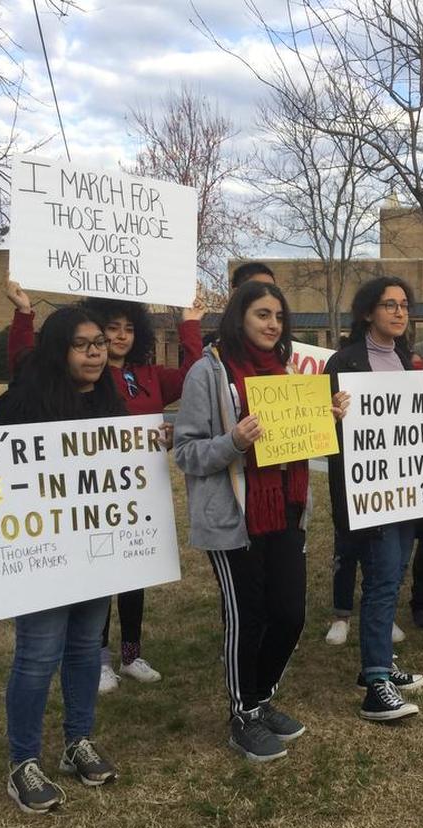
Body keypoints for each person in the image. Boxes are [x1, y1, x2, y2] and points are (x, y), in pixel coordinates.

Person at [5, 281, 205, 692]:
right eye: (109, 328)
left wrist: (190, 325)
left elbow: (192, 378)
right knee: (97, 576)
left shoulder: (148, 376)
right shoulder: (84, 378)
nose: (118, 336)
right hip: (85, 493)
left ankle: (131, 653)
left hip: (136, 493)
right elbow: (24, 364)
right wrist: (24, 315)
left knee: (134, 576)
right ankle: (96, 657)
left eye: (128, 329)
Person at [175, 281, 338, 761]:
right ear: (239, 317)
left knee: (290, 615)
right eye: (262, 314)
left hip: (286, 511)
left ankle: (261, 698)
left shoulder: (288, 372)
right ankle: (242, 712)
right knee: (248, 619)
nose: (272, 325)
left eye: (279, 317)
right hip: (234, 521)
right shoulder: (207, 373)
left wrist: (328, 419)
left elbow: (300, 445)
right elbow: (185, 452)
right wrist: (234, 442)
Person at [0, 307, 127, 812]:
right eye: (81, 344)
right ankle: (22, 762)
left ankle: (77, 742)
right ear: (56, 349)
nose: (95, 352)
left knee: (87, 647)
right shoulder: (21, 402)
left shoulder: (112, 403)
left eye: (100, 343)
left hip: (94, 550)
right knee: (38, 655)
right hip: (41, 553)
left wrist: (153, 446)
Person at [326, 277, 423, 721]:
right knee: (383, 581)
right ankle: (375, 681)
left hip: (409, 491)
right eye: (390, 305)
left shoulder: (408, 360)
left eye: (404, 305)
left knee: (394, 573)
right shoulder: (344, 362)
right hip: (370, 493)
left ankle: (381, 662)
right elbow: (324, 430)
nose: (399, 313)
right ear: (368, 312)